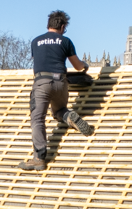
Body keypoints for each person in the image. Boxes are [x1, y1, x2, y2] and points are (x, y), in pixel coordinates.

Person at [18, 10, 95, 171]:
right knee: (58, 110)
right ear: (62, 26)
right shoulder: (65, 41)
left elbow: (42, 59)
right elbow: (78, 66)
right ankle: (68, 116)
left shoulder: (35, 41)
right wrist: (85, 65)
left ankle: (39, 158)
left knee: (38, 118)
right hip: (61, 82)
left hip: (42, 83)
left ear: (48, 25)